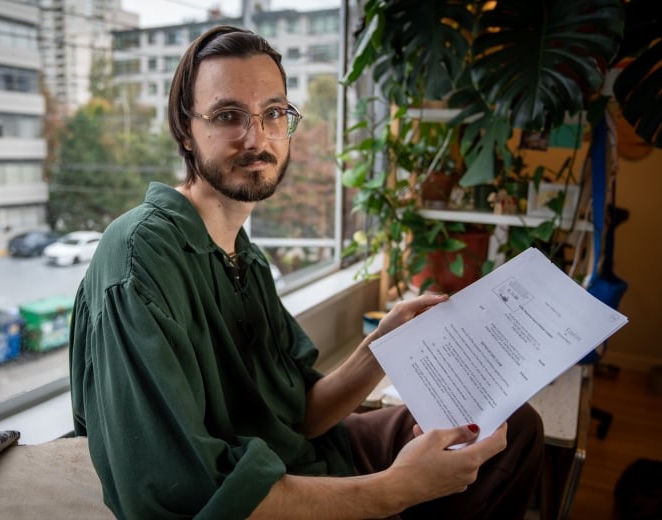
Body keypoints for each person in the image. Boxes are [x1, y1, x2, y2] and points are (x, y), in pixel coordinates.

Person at [69, 25, 544, 519]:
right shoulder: (139, 260)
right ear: (186, 130)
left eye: (273, 113)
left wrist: (385, 344)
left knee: (511, 426)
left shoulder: (244, 257)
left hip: (310, 454)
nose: (257, 137)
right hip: (264, 489)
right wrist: (397, 489)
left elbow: (302, 415)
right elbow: (189, 492)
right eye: (229, 115)